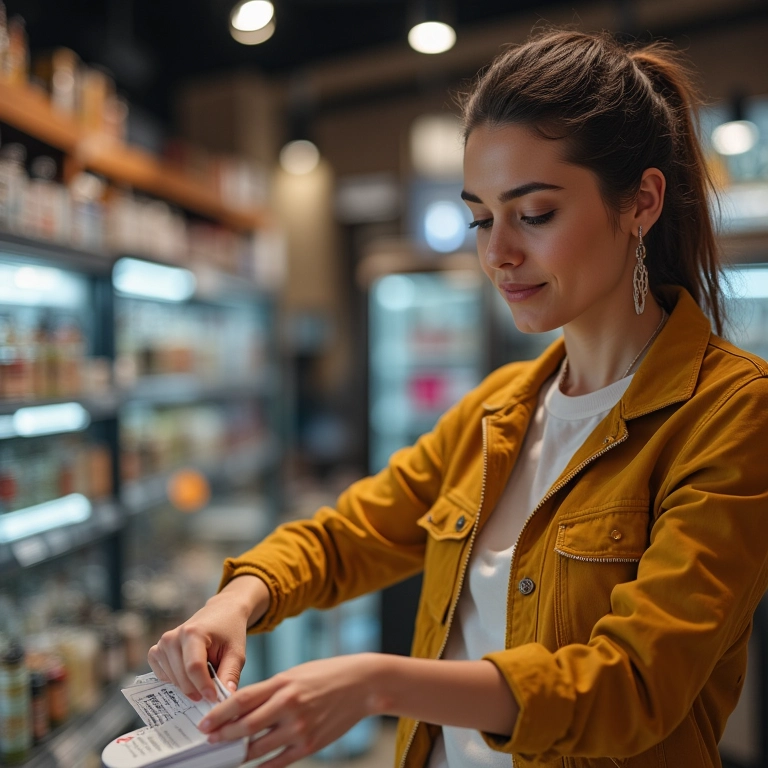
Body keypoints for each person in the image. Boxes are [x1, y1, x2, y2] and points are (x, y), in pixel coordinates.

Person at [148, 28, 768, 768]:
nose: (496, 253)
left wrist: (379, 684)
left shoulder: (730, 411)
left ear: (641, 201)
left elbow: (632, 685)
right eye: (480, 217)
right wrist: (238, 598)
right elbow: (349, 534)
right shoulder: (501, 407)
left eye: (534, 214)